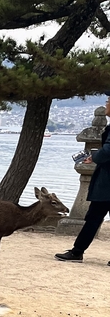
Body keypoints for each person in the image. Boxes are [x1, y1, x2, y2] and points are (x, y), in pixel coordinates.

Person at [55, 90, 110, 265]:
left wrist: (94, 157)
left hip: (107, 183)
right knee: (94, 217)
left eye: (109, 101)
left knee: (93, 218)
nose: (106, 104)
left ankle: (77, 252)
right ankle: (77, 251)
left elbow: (107, 152)